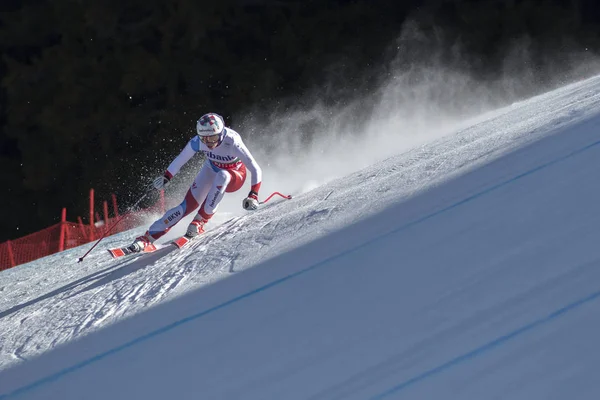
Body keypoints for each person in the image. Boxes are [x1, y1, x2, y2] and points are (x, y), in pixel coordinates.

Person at [129, 113, 262, 252]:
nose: (210, 142)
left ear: (221, 132)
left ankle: (200, 221)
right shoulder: (197, 141)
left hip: (235, 175)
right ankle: (147, 237)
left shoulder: (233, 141)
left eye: (214, 137)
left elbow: (255, 168)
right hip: (212, 168)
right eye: (205, 139)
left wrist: (253, 194)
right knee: (185, 206)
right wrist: (166, 177)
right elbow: (181, 159)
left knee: (222, 175)